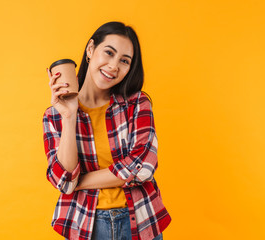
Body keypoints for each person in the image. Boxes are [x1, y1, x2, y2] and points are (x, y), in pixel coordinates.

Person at [42, 21, 171, 240]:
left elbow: (143, 166)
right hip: (85, 226)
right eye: (109, 53)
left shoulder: (137, 104)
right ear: (90, 49)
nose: (113, 66)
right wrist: (69, 115)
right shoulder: (54, 115)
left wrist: (79, 182)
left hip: (140, 222)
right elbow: (63, 182)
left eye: (124, 61)